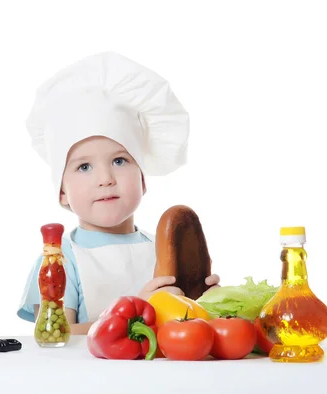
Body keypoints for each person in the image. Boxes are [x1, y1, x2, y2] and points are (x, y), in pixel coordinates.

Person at [16, 52, 220, 335]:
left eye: (120, 161)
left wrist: (209, 304)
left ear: (143, 179)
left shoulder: (164, 247)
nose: (105, 179)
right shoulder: (60, 259)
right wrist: (137, 314)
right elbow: (55, 335)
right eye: (84, 166)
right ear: (62, 192)